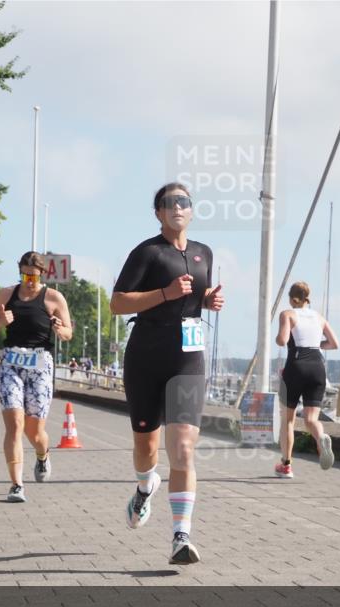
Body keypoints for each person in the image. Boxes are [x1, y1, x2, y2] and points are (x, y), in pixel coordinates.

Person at [110, 183, 224, 565]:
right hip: (146, 355)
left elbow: (195, 296)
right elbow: (118, 302)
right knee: (146, 446)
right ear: (158, 213)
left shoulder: (203, 253)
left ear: (191, 211)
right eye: (169, 203)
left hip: (187, 358)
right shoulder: (147, 253)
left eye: (183, 202)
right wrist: (165, 294)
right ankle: (145, 486)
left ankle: (181, 536)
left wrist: (209, 300)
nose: (177, 207)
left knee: (184, 449)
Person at [0, 252, 73, 503]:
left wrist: (59, 328)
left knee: (35, 432)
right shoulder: (6, 295)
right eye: (25, 274)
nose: (29, 280)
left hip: (40, 365)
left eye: (34, 276)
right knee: (15, 424)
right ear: (20, 271)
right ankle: (16, 484)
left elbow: (68, 332)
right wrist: (1, 321)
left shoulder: (54, 297)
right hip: (11, 363)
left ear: (42, 274)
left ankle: (42, 454)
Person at [274, 281, 339, 478]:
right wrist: (315, 344)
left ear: (291, 298)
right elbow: (334, 343)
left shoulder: (287, 314)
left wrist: (279, 337)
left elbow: (283, 340)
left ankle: (286, 465)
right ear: (307, 298)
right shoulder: (319, 317)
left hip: (296, 365)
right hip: (317, 367)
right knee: (311, 419)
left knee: (288, 420)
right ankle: (320, 438)